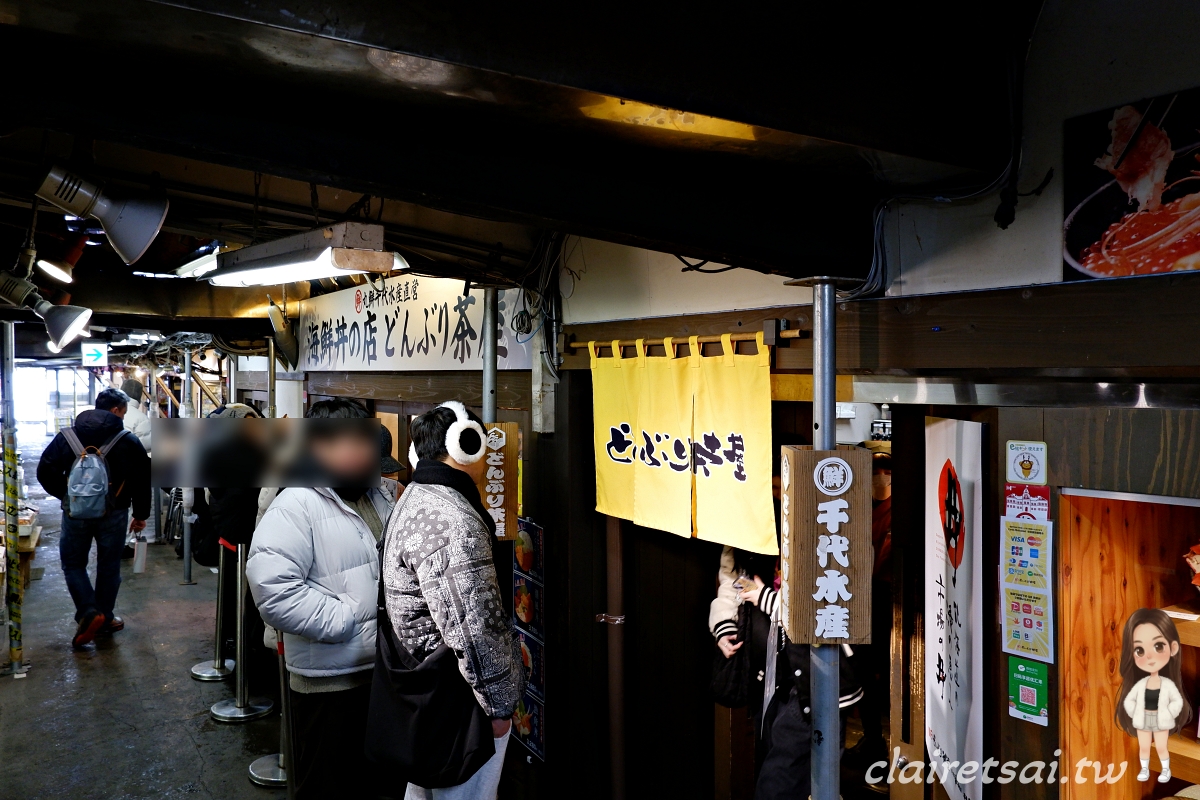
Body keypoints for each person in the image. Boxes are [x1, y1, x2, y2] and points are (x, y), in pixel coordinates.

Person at [246, 398, 395, 799]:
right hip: (329, 682)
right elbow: (273, 589)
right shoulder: (296, 503)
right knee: (327, 785)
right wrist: (345, 620)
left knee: (372, 784)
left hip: (378, 674)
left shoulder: (376, 495)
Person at [382, 401, 524, 800]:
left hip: (420, 683)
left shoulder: (414, 496)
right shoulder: (454, 519)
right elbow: (476, 627)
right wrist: (498, 704)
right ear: (466, 445)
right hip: (457, 696)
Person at [710, 477, 861, 800]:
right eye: (772, 489)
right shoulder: (751, 528)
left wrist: (766, 598)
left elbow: (829, 609)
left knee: (785, 779)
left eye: (783, 488)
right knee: (779, 765)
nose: (778, 497)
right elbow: (733, 582)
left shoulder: (826, 531)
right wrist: (724, 626)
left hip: (814, 675)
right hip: (772, 674)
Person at [37, 388, 151, 647]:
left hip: (75, 513)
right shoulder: (127, 440)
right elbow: (143, 479)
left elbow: (45, 470)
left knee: (73, 563)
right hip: (115, 512)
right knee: (109, 565)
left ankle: (89, 611)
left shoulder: (67, 436)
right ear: (116, 410)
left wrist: (68, 497)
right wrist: (141, 514)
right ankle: (105, 617)